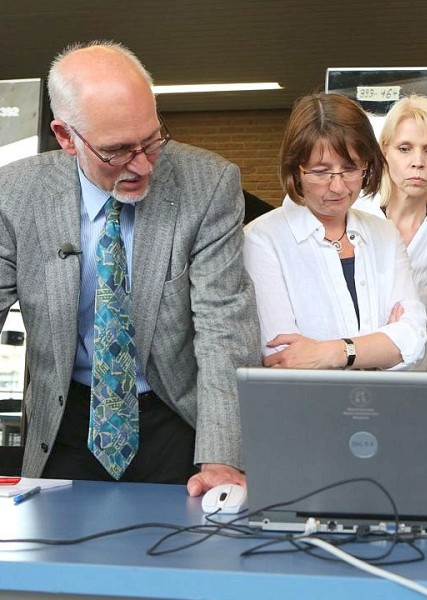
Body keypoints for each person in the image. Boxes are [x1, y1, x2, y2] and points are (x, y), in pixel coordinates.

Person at [0, 41, 261, 496]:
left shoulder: (209, 184)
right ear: (66, 137)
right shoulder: (15, 193)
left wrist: (221, 458)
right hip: (65, 420)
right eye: (116, 151)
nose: (141, 165)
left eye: (152, 140)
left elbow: (225, 328)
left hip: (174, 417)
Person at [243, 93, 426, 370]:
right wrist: (378, 346)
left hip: (380, 406)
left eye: (351, 168)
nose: (338, 187)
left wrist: (331, 353)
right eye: (320, 172)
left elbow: (411, 339)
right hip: (306, 408)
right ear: (295, 169)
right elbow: (284, 356)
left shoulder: (384, 234)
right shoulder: (261, 239)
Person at [355, 96, 427, 371]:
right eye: (405, 148)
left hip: (417, 388)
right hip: (345, 380)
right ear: (385, 150)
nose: (417, 162)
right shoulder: (352, 221)